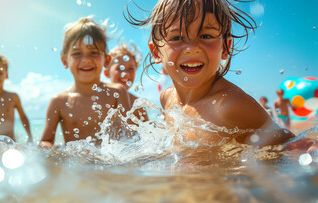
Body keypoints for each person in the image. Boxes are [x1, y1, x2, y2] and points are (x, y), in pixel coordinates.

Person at [126, 0, 299, 148]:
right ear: (156, 52)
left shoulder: (229, 105)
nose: (192, 49)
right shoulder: (166, 98)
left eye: (206, 35)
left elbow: (290, 144)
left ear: (225, 47)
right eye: (176, 38)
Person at [40, 17, 131, 147]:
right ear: (65, 61)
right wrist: (51, 151)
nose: (86, 59)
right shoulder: (59, 102)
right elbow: (46, 140)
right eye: (77, 53)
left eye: (94, 52)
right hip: (75, 167)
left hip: (110, 166)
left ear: (106, 60)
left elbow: (131, 137)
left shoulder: (117, 93)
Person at [104, 42, 149, 121]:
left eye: (130, 68)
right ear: (107, 73)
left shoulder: (138, 105)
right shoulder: (100, 99)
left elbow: (148, 132)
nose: (126, 73)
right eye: (119, 68)